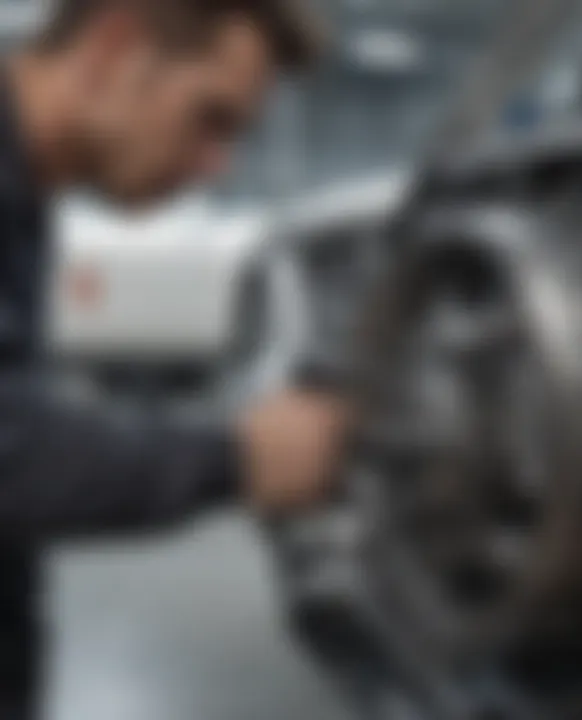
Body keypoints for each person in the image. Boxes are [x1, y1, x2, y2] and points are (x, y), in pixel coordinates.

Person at [0, 0, 350, 717]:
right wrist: (240, 455)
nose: (215, 167)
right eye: (209, 119)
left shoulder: (26, 193)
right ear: (113, 48)